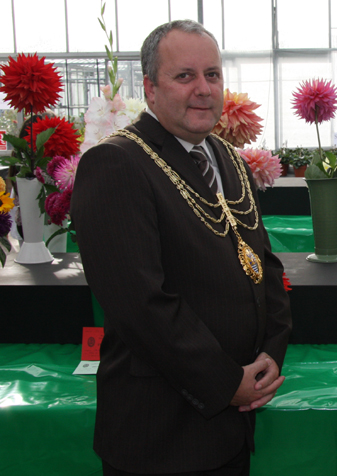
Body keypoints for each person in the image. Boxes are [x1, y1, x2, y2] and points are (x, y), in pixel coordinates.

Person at [71, 20, 291, 476]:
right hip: (163, 438)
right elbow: (142, 306)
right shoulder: (116, 164)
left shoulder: (229, 158)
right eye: (184, 76)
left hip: (232, 427)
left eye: (212, 75)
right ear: (150, 88)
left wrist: (271, 353)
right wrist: (228, 383)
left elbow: (265, 266)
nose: (203, 89)